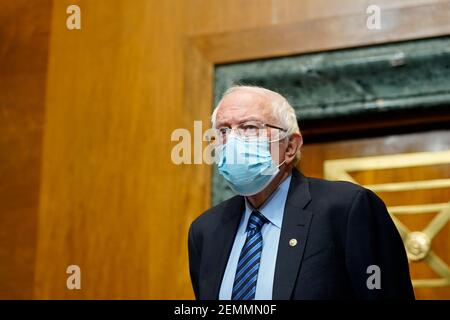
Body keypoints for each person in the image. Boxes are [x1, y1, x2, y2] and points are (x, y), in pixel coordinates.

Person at [187, 85, 415, 300]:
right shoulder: (206, 230)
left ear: (290, 147)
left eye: (250, 127)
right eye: (224, 131)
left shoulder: (346, 209)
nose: (233, 140)